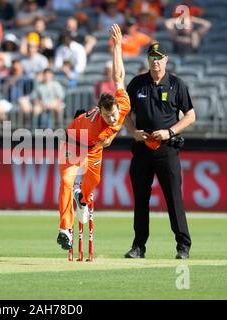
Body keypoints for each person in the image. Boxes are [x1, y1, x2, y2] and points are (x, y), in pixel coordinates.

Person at [57, 24, 130, 250]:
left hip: (94, 147)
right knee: (67, 182)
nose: (112, 119)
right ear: (100, 111)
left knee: (94, 181)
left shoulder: (123, 103)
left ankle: (83, 199)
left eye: (115, 114)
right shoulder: (95, 125)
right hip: (73, 142)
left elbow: (118, 76)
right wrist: (108, 138)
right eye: (108, 115)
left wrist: (117, 47)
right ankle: (65, 230)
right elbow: (105, 140)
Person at [124, 41, 196, 259]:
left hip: (167, 149)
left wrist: (170, 132)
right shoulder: (137, 83)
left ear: (166, 59)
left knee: (174, 198)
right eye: (152, 57)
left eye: (159, 57)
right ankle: (138, 246)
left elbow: (191, 115)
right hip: (142, 147)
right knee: (141, 199)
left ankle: (183, 245)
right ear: (148, 60)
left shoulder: (176, 84)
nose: (155, 62)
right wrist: (133, 132)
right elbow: (124, 114)